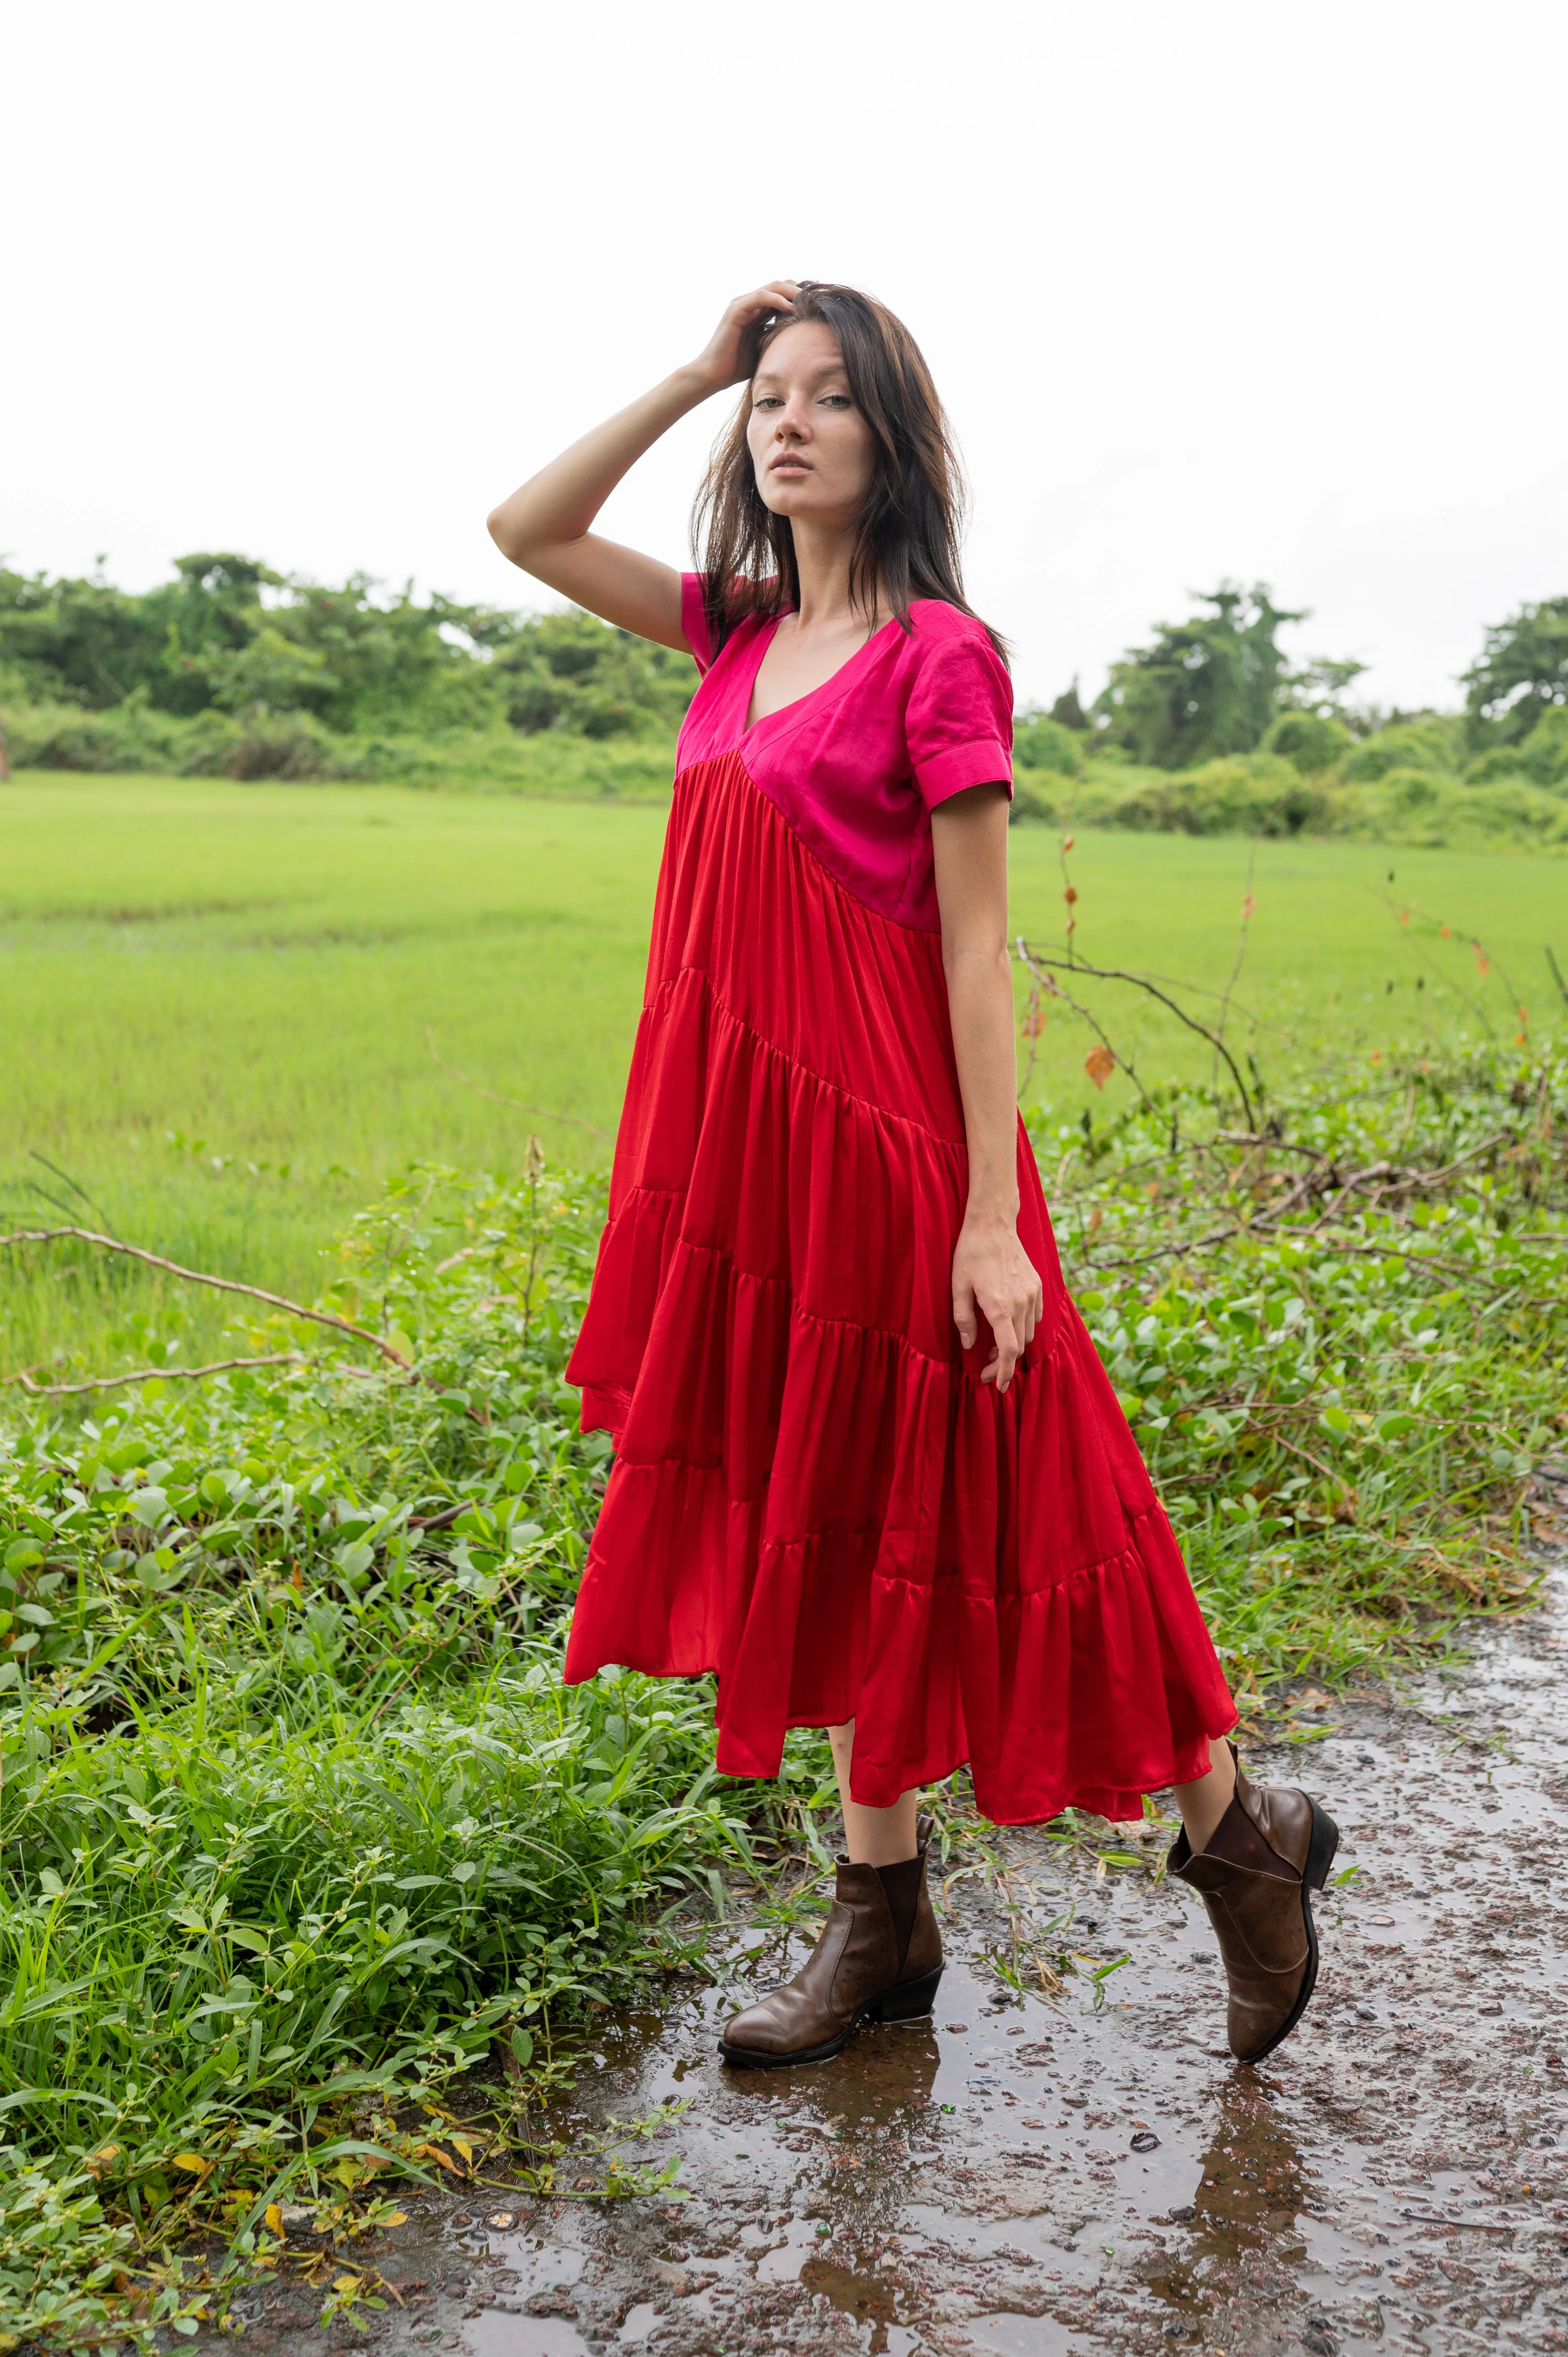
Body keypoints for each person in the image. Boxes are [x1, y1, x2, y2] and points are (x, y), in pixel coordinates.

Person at [487, 280, 1338, 2071]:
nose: (783, 424)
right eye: (766, 400)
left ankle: (1236, 1841)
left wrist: (982, 1222)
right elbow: (527, 529)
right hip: (761, 1173)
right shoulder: (731, 636)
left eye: (823, 398)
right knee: (836, 1508)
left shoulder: (938, 655)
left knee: (1037, 1505)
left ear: (891, 439)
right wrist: (688, 370)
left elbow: (972, 955)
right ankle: (882, 1920)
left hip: (902, 1161)